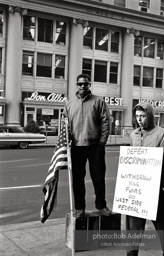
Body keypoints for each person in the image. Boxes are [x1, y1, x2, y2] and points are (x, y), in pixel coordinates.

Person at [63, 73, 112, 217]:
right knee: (77, 179)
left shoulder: (98, 101)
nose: (82, 86)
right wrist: (67, 141)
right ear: (76, 85)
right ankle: (79, 208)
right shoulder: (69, 104)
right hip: (77, 147)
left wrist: (102, 142)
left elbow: (105, 121)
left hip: (95, 146)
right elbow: (65, 125)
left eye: (85, 83)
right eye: (80, 84)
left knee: (98, 177)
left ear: (89, 84)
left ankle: (101, 205)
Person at [126, 101, 164, 256]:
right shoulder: (134, 135)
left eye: (143, 116)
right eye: (137, 116)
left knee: (162, 226)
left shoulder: (162, 134)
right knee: (133, 229)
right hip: (137, 190)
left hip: (156, 190)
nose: (139, 119)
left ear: (149, 116)